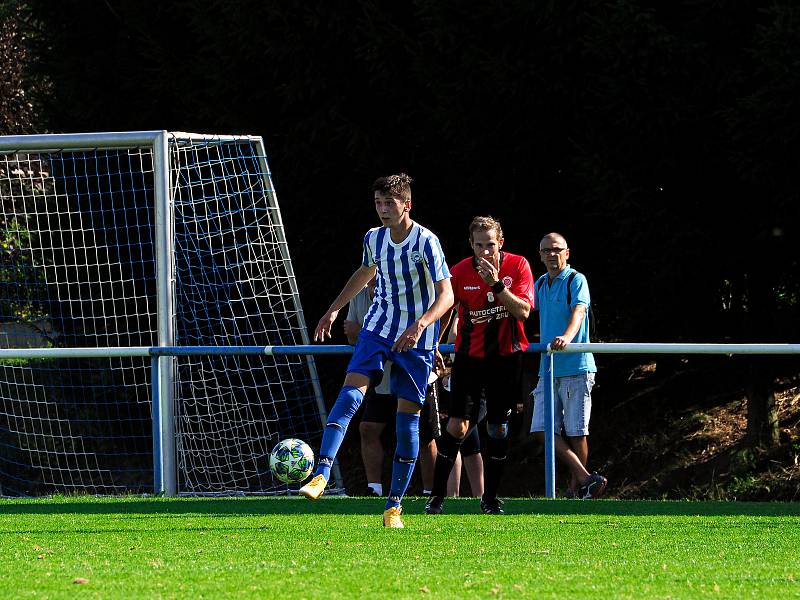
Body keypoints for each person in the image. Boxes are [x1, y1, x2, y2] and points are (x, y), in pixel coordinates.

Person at [300, 173, 453, 529]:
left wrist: (422, 324)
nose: (383, 210)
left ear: (406, 204)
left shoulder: (426, 242)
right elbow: (365, 272)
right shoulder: (373, 238)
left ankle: (394, 507)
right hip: (378, 328)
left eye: (390, 203)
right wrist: (334, 308)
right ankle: (321, 474)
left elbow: (447, 294)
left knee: (406, 423)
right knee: (351, 394)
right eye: (378, 203)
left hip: (418, 338)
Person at [426, 216, 533, 516]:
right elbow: (447, 305)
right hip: (470, 359)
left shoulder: (518, 266)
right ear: (471, 245)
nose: (485, 252)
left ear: (501, 242)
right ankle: (436, 497)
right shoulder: (459, 271)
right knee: (457, 425)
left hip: (506, 358)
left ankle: (490, 499)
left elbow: (523, 312)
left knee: (498, 428)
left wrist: (495, 284)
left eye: (490, 245)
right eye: (478, 246)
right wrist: (436, 342)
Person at [530, 232, 607, 499]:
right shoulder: (540, 283)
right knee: (541, 429)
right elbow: (522, 309)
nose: (552, 255)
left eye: (556, 249)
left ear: (567, 252)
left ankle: (577, 490)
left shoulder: (576, 279)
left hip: (576, 365)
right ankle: (586, 479)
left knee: (576, 432)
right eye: (546, 251)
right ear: (539, 255)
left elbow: (579, 311)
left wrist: (567, 337)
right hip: (548, 367)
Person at [343, 275, 396, 498]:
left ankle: (430, 491)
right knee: (367, 428)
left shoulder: (403, 291)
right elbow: (351, 335)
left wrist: (365, 332)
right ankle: (374, 488)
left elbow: (395, 334)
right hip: (378, 378)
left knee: (421, 435)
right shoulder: (359, 293)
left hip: (409, 373)